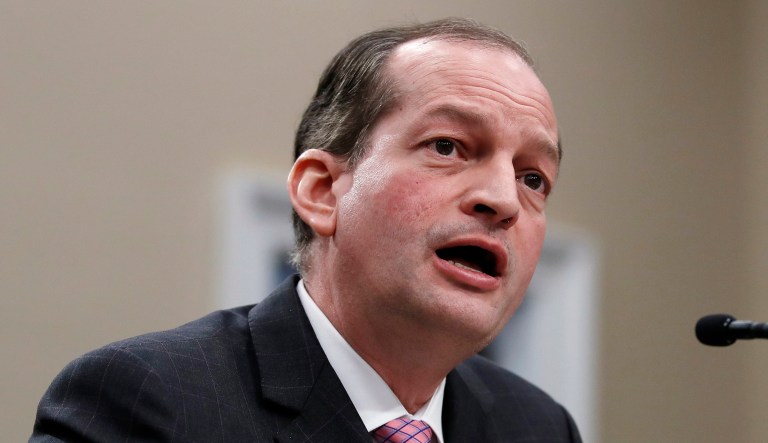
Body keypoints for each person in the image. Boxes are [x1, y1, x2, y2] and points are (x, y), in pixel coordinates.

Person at [31, 18, 581, 442]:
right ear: (322, 191)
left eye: (533, 177)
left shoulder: (537, 427)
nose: (504, 199)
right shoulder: (148, 402)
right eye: (447, 146)